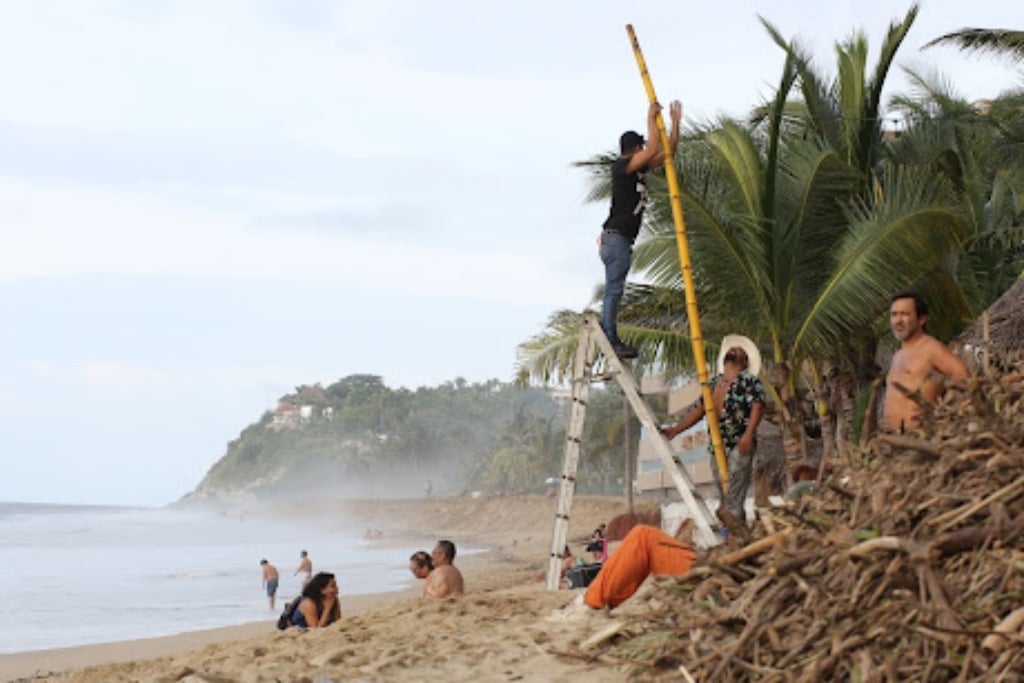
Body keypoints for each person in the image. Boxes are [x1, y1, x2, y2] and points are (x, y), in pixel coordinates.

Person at [599, 99, 682, 360]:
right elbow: (655, 147)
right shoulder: (621, 167)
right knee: (614, 290)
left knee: (615, 289)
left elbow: (667, 152)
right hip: (616, 239)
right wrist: (651, 116)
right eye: (642, 148)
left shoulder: (635, 169)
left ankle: (608, 329)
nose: (646, 150)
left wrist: (675, 123)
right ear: (635, 149)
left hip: (619, 240)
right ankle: (609, 336)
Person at [660, 335, 765, 523]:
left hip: (739, 441)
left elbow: (758, 406)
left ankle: (735, 529)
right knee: (723, 490)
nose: (733, 350)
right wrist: (675, 430)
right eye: (731, 350)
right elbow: (698, 410)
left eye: (738, 351)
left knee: (735, 490)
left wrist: (748, 435)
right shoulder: (714, 383)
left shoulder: (749, 380)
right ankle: (732, 528)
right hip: (718, 444)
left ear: (745, 361)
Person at [883, 291, 968, 433]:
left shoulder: (930, 348)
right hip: (891, 437)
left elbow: (964, 377)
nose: (898, 320)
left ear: (921, 319)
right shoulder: (898, 355)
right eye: (894, 314)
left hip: (919, 435)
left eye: (905, 314)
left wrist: (942, 409)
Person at [584, 524, 694, 610]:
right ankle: (600, 599)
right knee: (644, 538)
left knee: (643, 536)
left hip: (698, 576)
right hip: (698, 573)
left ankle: (594, 601)